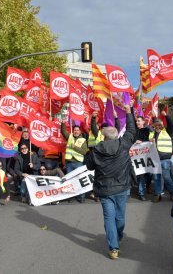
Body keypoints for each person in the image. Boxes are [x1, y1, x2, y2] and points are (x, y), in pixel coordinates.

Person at [85, 104, 136, 259]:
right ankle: (118, 236)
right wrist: (128, 112)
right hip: (122, 188)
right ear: (116, 136)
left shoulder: (97, 149)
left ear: (104, 136)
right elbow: (131, 131)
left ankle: (113, 248)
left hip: (105, 189)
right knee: (120, 216)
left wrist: (90, 153)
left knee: (109, 217)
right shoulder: (123, 144)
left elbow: (89, 166)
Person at [149, 110, 173, 202]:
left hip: (165, 159)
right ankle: (158, 195)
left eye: (159, 125)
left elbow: (171, 125)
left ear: (162, 126)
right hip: (155, 159)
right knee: (157, 178)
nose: (157, 126)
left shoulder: (167, 131)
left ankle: (172, 192)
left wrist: (166, 116)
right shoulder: (152, 133)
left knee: (166, 177)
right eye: (156, 125)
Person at [61, 119, 89, 202]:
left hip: (78, 163)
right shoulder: (69, 137)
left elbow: (84, 152)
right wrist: (62, 123)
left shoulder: (83, 140)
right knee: (69, 180)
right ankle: (70, 196)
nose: (76, 131)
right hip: (69, 162)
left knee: (80, 179)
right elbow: (63, 131)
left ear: (80, 131)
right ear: (73, 131)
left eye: (77, 130)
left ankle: (81, 196)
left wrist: (75, 147)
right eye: (75, 130)